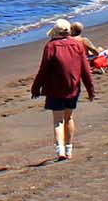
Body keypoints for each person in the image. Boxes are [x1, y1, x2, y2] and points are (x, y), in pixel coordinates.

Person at [29, 16, 95, 160]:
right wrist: (90, 89)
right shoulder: (77, 45)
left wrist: (36, 88)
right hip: (73, 87)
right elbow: (85, 69)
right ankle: (69, 148)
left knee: (58, 120)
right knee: (69, 117)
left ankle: (60, 150)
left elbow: (43, 69)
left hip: (55, 89)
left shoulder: (51, 46)